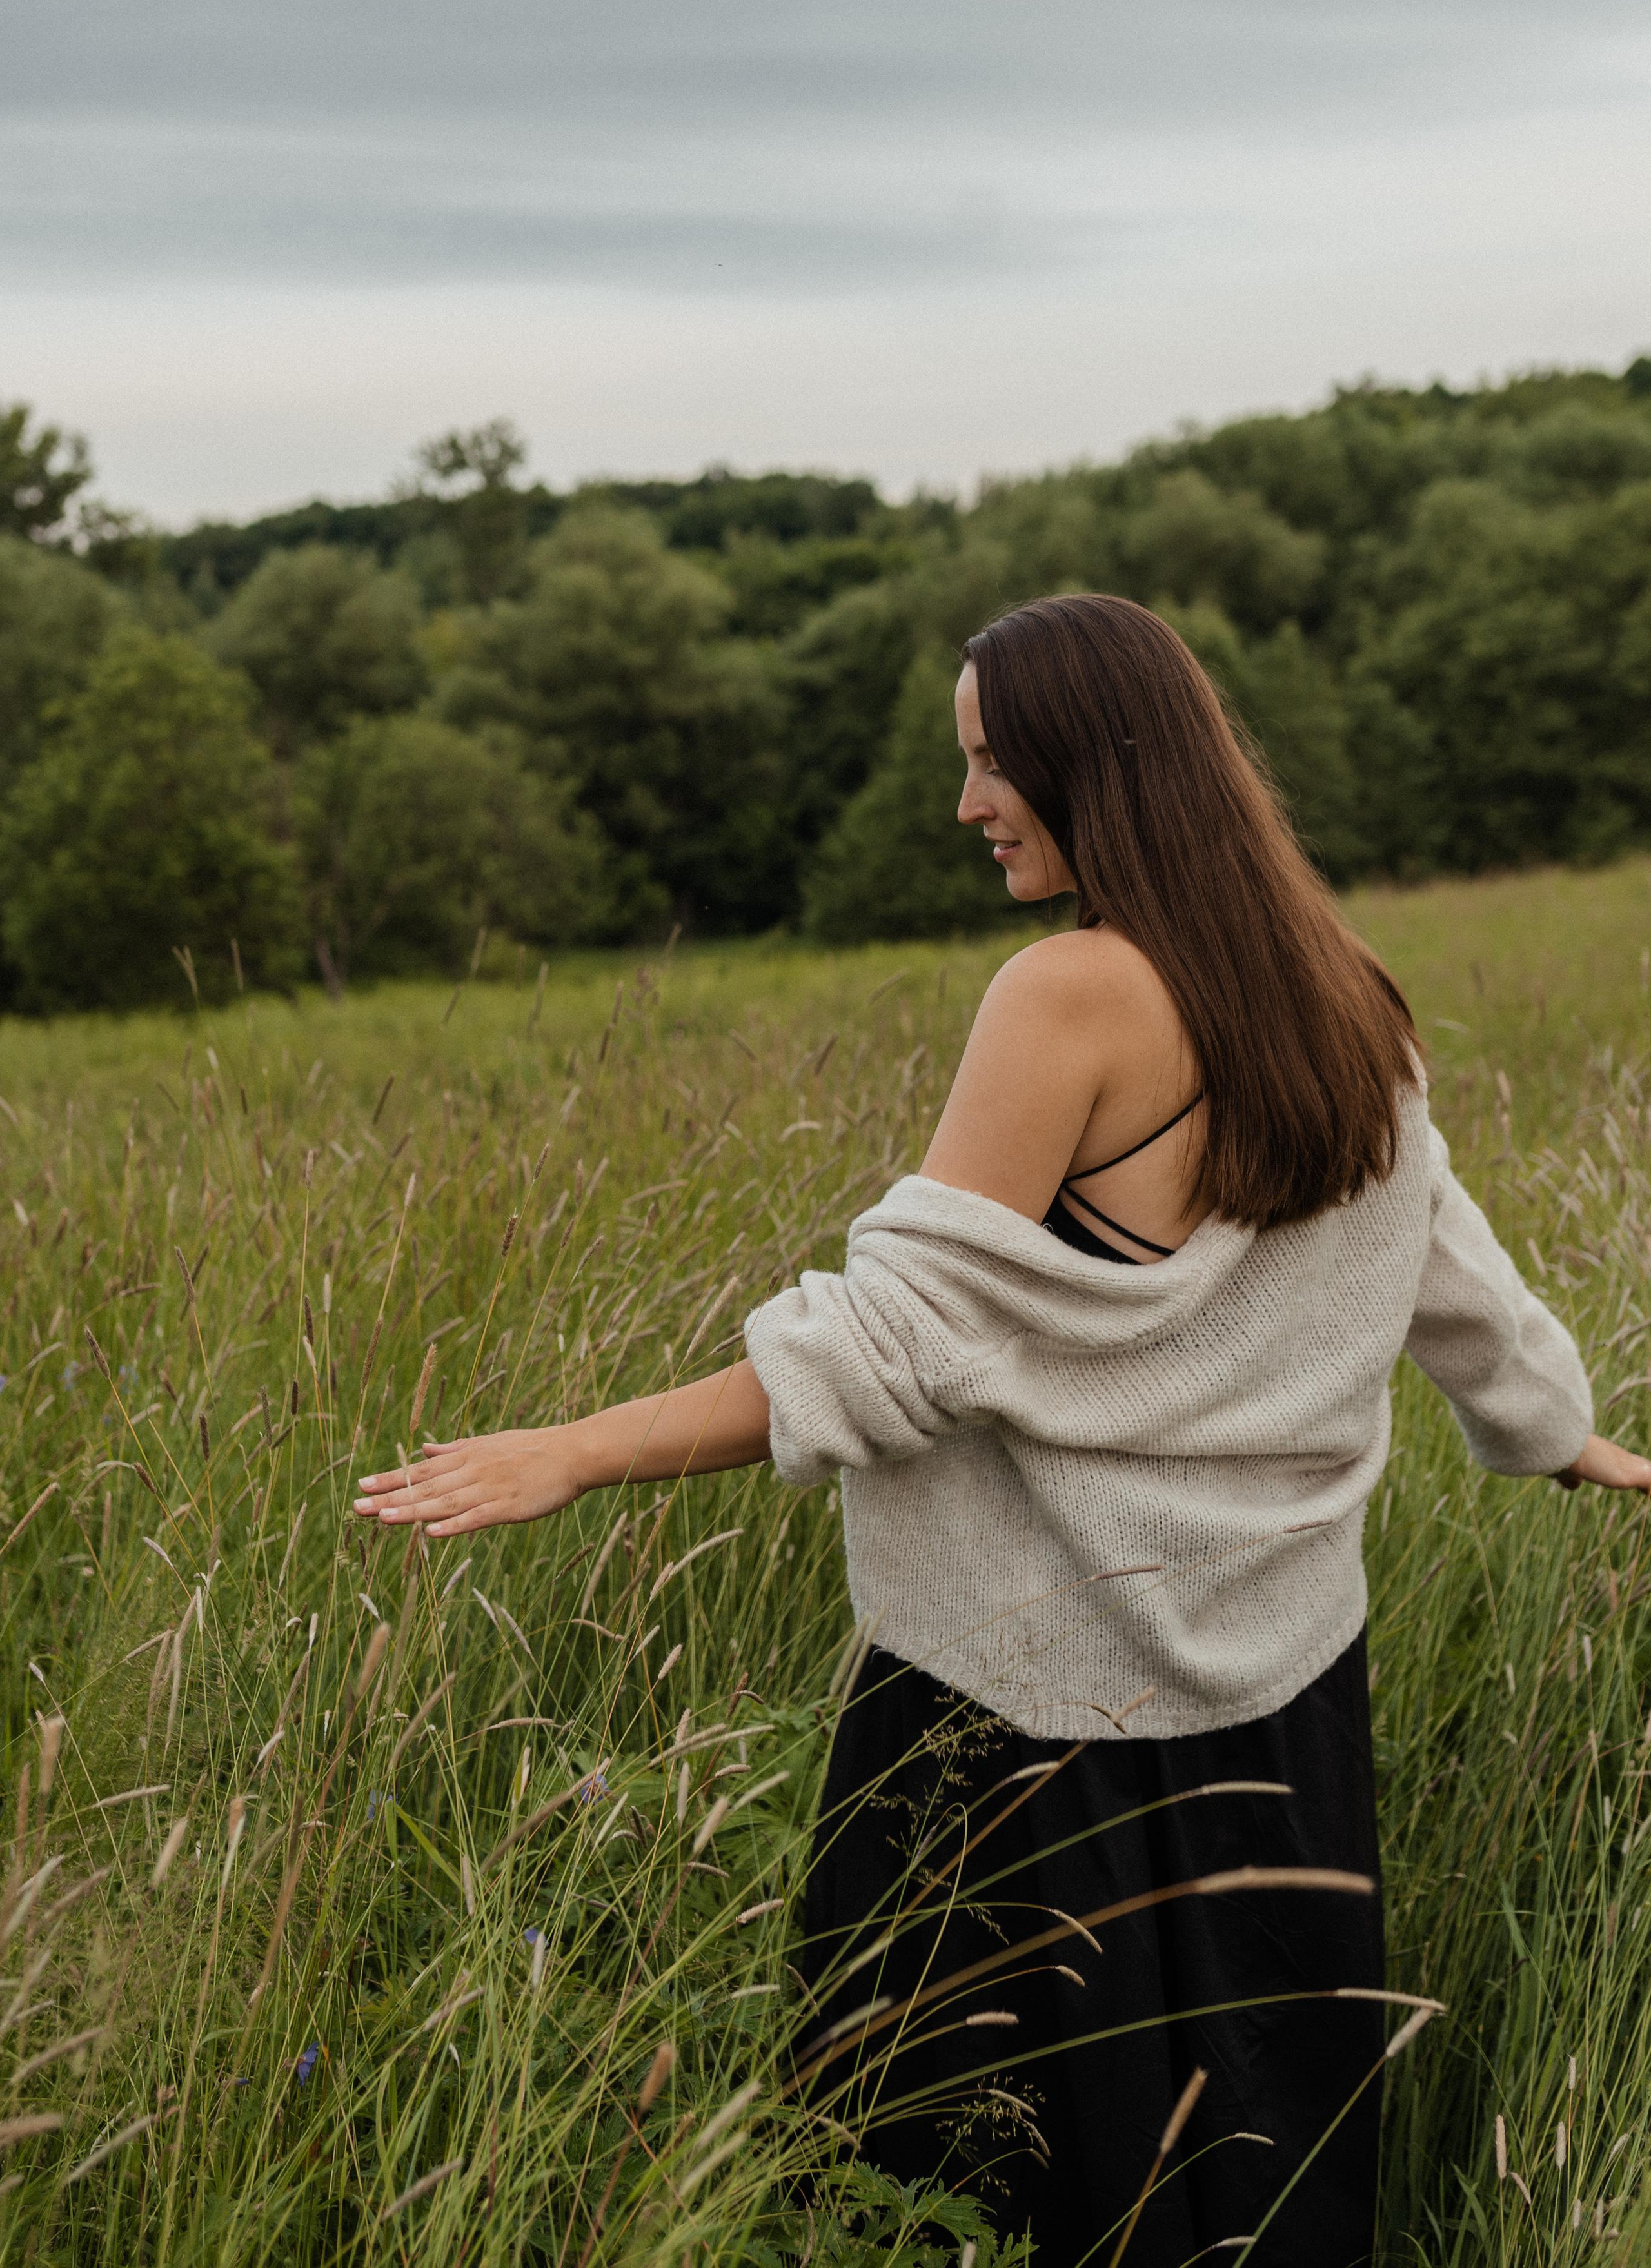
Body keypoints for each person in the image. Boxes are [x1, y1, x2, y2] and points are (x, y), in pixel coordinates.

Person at [353, 593, 1648, 2267]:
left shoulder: (1070, 996)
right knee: (1263, 2155)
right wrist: (1551, 1427)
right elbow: (1437, 1247)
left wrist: (574, 1451)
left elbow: (896, 1338)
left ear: (1094, 765)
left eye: (990, 760)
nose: (968, 803)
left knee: (957, 2187)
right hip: (1285, 1692)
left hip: (1036, 1715)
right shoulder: (1341, 986)